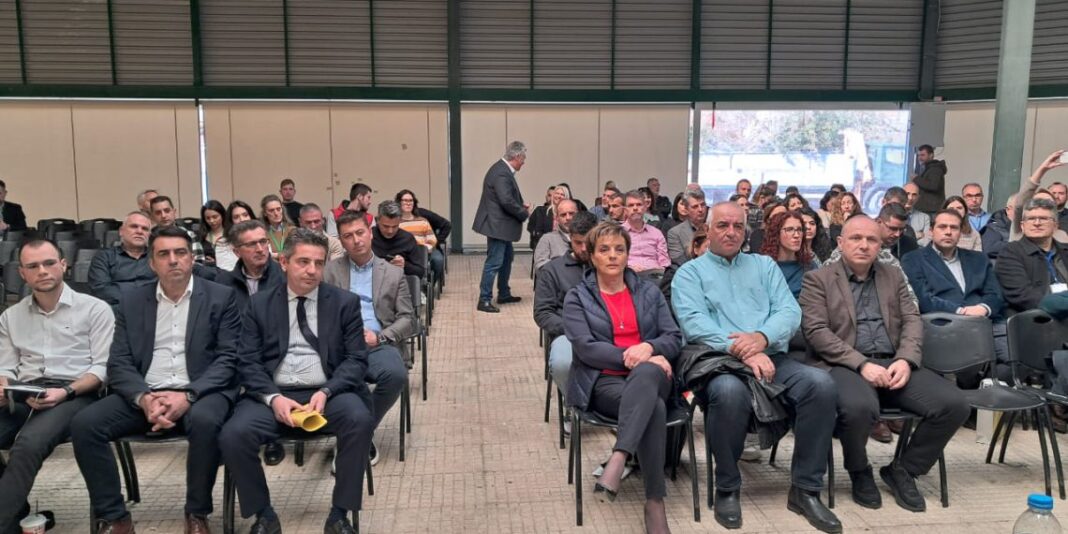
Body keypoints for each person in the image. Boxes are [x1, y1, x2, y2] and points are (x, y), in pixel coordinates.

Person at [671, 201, 839, 532]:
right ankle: (727, 486)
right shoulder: (690, 274)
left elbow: (789, 311)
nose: (731, 232)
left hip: (771, 356)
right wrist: (744, 350)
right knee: (729, 393)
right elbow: (695, 324)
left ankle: (805, 490)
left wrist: (762, 338)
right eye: (723, 225)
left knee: (820, 386)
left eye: (738, 226)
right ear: (708, 229)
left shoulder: (764, 266)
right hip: (719, 363)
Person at [72, 226, 240, 534]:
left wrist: (188, 395)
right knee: (85, 424)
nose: (173, 260)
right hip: (146, 393)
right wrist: (144, 398)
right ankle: (116, 517)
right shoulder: (132, 301)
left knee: (206, 421)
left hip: (202, 392)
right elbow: (119, 361)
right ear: (151, 263)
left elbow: (228, 359)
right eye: (164, 254)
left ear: (192, 258)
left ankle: (197, 513)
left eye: (180, 252)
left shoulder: (221, 297)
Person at [799, 214, 969, 513]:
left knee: (954, 404)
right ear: (840, 242)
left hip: (893, 361)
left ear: (880, 245)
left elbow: (913, 320)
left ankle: (904, 469)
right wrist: (861, 364)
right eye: (856, 238)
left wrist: (906, 359)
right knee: (859, 408)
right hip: (844, 364)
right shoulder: (818, 279)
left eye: (871, 239)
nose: (864, 245)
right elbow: (816, 332)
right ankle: (859, 469)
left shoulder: (893, 275)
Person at [220, 229, 374, 534]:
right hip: (273, 394)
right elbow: (247, 361)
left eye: (318, 263)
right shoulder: (259, 305)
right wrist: (273, 397)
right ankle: (264, 515)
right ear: (284, 262)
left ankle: (339, 515)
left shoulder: (344, 303)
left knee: (358, 419)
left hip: (327, 392)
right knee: (233, 434)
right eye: (303, 262)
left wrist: (327, 390)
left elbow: (357, 359)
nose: (312, 270)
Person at [563, 222, 682, 534]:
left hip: (654, 376)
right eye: (604, 250)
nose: (613, 255)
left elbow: (673, 337)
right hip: (603, 381)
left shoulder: (649, 292)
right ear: (591, 256)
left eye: (619, 249)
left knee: (648, 374)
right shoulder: (577, 297)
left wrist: (650, 347)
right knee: (653, 407)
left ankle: (619, 456)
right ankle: (654, 502)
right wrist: (637, 355)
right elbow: (586, 348)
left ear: (628, 255)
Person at [0, 239, 114, 534]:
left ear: (64, 265)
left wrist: (65, 392)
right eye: (33, 266)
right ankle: (14, 515)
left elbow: (102, 369)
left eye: (49, 263)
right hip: (25, 391)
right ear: (22, 273)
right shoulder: (11, 317)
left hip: (76, 393)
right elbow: (6, 367)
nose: (42, 270)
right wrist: (3, 385)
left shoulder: (95, 309)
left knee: (27, 445)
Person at [326, 211, 415, 459]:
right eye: (348, 236)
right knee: (330, 377)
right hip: (340, 346)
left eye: (360, 233)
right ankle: (356, 433)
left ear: (370, 233)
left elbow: (408, 319)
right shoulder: (329, 272)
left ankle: (359, 431)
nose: (356, 240)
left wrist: (380, 337)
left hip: (378, 343)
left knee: (395, 375)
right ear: (341, 241)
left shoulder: (393, 273)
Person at [902, 209, 1009, 387]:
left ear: (960, 232)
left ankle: (986, 387)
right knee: (970, 363)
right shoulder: (913, 259)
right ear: (931, 231)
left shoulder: (978, 259)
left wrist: (983, 308)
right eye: (942, 227)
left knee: (1017, 356)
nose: (948, 232)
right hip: (945, 325)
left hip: (984, 322)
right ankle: (972, 389)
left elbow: (995, 294)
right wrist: (961, 312)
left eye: (954, 228)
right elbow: (924, 298)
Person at [533, 211, 597, 402]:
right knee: (562, 363)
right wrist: (573, 329)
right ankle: (573, 404)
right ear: (570, 239)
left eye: (588, 243)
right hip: (568, 333)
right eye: (578, 243)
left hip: (605, 331)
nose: (584, 248)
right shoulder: (553, 270)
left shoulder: (606, 267)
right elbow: (543, 313)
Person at [473, 141, 530, 313]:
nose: (524, 163)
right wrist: (523, 212)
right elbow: (506, 201)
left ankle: (504, 293)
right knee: (494, 262)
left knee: (506, 259)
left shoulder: (501, 169)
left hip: (501, 226)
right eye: (523, 158)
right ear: (517, 156)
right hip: (498, 226)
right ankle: (484, 300)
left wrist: (519, 206)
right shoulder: (501, 173)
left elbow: (505, 199)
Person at [996, 198, 1068, 314]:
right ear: (1022, 226)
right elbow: (1023, 296)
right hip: (1034, 318)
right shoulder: (1010, 253)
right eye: (1031, 219)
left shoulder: (1065, 250)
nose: (1037, 223)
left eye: (1043, 218)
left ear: (1055, 225)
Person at [216, 220, 287, 311]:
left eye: (263, 241)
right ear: (237, 252)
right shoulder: (224, 283)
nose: (260, 249)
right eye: (252, 244)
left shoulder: (286, 276)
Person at [89, 211, 156, 306]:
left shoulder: (156, 256)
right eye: (134, 226)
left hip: (154, 307)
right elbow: (100, 289)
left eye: (145, 229)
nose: (139, 231)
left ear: (149, 234)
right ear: (121, 231)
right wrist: (136, 299)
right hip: (118, 307)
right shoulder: (104, 257)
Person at [761, 212, 819, 299]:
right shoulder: (764, 266)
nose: (796, 235)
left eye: (799, 229)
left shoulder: (809, 266)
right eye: (789, 229)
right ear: (776, 233)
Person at [1014, 151, 1068, 244]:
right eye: (1037, 202)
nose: (1037, 222)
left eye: (1047, 204)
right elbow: (1021, 201)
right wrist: (1043, 168)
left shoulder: (1062, 237)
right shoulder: (1021, 229)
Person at [396, 190, 444, 281]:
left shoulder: (422, 221)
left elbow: (432, 239)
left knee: (438, 260)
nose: (408, 203)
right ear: (399, 203)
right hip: (404, 252)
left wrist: (426, 248)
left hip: (424, 251)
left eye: (411, 200)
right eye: (405, 200)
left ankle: (430, 283)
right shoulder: (395, 222)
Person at [621, 190, 669, 278]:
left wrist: (660, 270)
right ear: (625, 210)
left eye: (639, 204)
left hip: (654, 276)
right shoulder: (618, 233)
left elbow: (664, 262)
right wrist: (628, 268)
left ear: (645, 208)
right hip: (628, 276)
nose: (635, 208)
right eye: (631, 205)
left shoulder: (656, 233)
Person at [372, 200, 426, 279]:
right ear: (378, 221)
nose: (390, 231)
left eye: (395, 226)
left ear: (400, 221)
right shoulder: (368, 236)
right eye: (386, 226)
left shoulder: (407, 239)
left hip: (400, 281)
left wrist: (404, 265)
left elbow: (420, 272)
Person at [149, 196, 206, 263]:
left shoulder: (189, 234)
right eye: (158, 213)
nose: (163, 215)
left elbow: (199, 262)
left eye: (167, 211)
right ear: (152, 217)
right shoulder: (149, 238)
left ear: (174, 212)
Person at [666, 189, 707, 266]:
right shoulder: (675, 233)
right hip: (690, 270)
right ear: (686, 209)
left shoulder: (714, 228)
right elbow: (678, 260)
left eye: (703, 205)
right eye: (695, 207)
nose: (700, 209)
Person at [533, 199, 577, 272]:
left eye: (571, 213)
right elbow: (540, 266)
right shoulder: (547, 239)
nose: (568, 218)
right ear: (557, 218)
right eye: (563, 215)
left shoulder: (587, 237)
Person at [911, 144, 947, 215]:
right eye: (918, 155)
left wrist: (916, 178)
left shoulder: (935, 169)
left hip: (931, 210)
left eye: (922, 155)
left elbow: (933, 186)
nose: (919, 158)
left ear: (931, 155)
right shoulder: (928, 168)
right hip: (927, 208)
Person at [981, 193, 1016, 260]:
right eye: (1019, 209)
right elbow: (990, 248)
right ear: (1008, 210)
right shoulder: (994, 227)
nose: (1023, 213)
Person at [198, 200, 228, 265]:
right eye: (208, 218)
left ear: (222, 215)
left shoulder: (231, 234)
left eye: (215, 217)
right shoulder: (202, 235)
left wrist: (216, 262)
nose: (211, 221)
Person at [527, 186, 556, 251]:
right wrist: (530, 215)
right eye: (549, 195)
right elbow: (531, 227)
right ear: (546, 196)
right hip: (540, 245)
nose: (551, 198)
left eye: (554, 196)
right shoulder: (539, 210)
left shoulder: (561, 212)